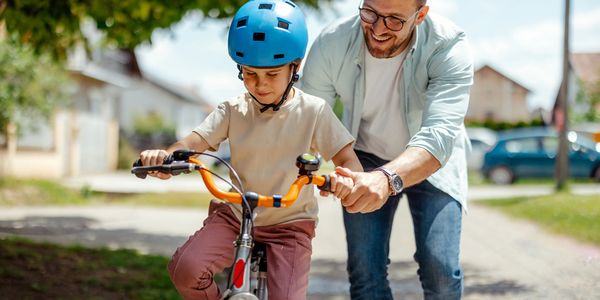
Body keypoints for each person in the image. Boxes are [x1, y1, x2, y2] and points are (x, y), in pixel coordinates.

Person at [138, 1, 362, 299]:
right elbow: (192, 144)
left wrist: (346, 179)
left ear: (295, 67)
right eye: (250, 74)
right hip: (235, 214)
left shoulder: (314, 111)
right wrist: (166, 157)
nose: (260, 85)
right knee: (186, 269)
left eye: (272, 75)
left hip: (290, 224)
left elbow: (347, 158)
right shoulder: (233, 110)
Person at [300, 0, 473, 299]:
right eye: (370, 13)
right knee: (366, 271)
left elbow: (438, 137)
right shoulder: (331, 43)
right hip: (363, 156)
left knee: (440, 269)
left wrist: (384, 179)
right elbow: (311, 120)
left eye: (394, 20)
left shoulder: (449, 45)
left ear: (420, 16)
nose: (378, 29)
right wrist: (321, 165)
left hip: (432, 161)